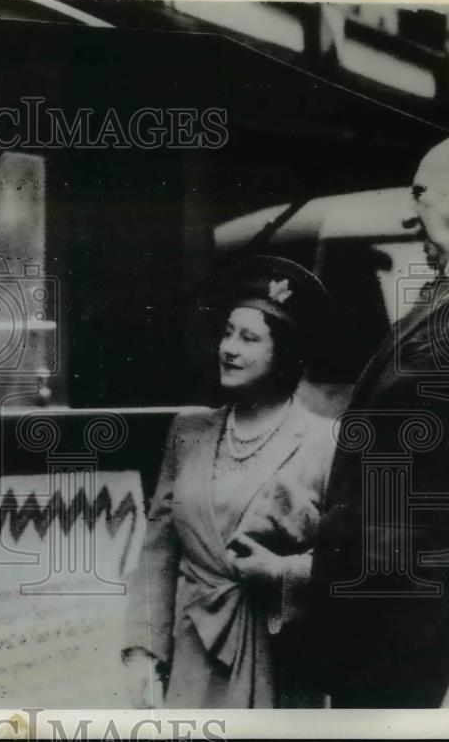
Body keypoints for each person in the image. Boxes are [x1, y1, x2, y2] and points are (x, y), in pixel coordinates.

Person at [122, 256, 336, 708]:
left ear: (286, 354)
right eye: (227, 332)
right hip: (192, 653)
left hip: (279, 657)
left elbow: (347, 564)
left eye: (249, 338)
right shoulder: (188, 432)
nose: (229, 348)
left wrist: (283, 574)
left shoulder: (324, 442)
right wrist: (144, 651)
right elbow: (158, 549)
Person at [309, 134, 449, 708]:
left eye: (419, 192)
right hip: (384, 620)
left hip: (412, 626)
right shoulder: (443, 298)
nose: (410, 210)